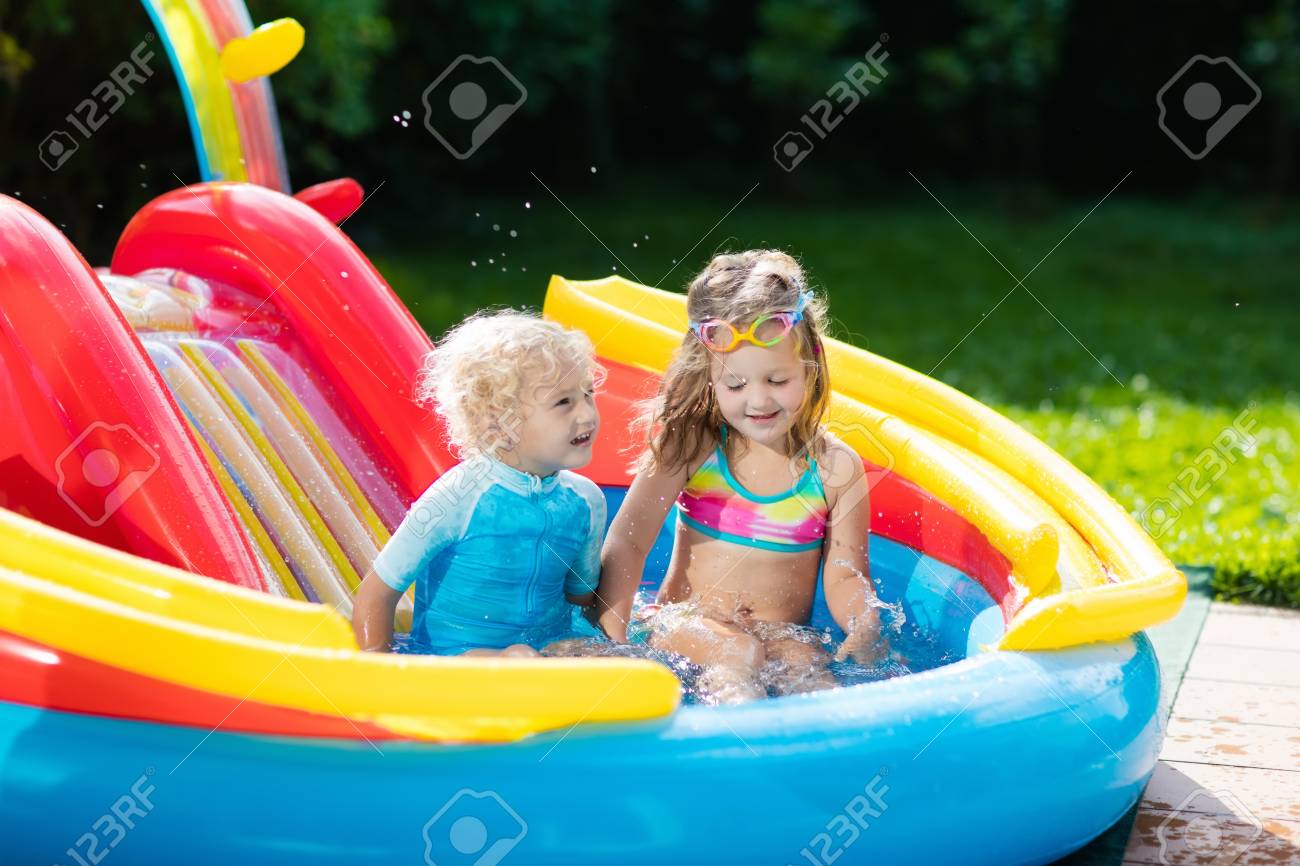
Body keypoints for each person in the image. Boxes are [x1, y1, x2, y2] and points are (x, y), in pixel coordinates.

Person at [597, 250, 888, 702]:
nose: (758, 401)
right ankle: (732, 743)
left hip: (783, 633)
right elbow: (628, 543)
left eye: (777, 381)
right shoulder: (692, 447)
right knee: (737, 653)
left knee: (810, 669)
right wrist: (613, 640)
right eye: (736, 384)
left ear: (811, 366)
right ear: (709, 378)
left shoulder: (836, 470)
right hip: (686, 626)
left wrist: (862, 623)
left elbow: (846, 576)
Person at [351, 310, 606, 657]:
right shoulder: (456, 499)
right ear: (496, 422)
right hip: (454, 660)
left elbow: (582, 597)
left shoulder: (585, 501)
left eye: (588, 394)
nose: (587, 414)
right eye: (564, 402)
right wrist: (378, 669)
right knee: (521, 659)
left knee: (586, 652)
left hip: (542, 655)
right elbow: (376, 595)